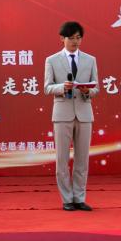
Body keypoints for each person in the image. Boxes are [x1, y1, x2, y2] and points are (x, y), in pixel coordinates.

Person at [44, 21, 99, 211]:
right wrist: (62, 87)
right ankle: (67, 199)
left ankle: (79, 198)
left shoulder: (90, 60)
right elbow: (47, 87)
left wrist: (87, 90)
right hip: (62, 113)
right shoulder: (52, 60)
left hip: (84, 113)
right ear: (62, 38)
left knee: (82, 159)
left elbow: (96, 87)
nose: (76, 41)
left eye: (79, 38)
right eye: (72, 38)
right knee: (62, 159)